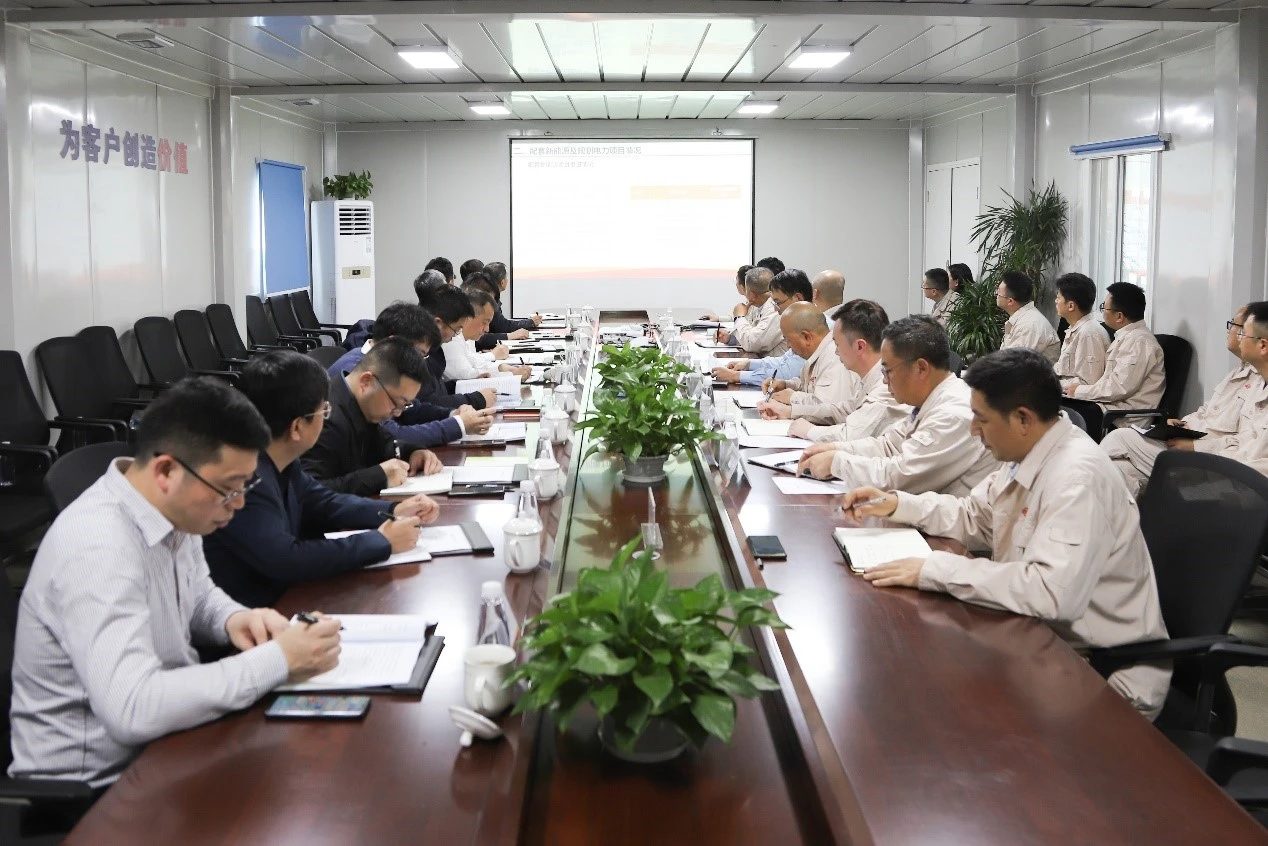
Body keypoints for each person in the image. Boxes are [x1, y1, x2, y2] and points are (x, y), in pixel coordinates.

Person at [8, 378, 342, 790]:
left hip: (168, 745)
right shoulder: (97, 546)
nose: (238, 504)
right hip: (93, 791)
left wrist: (236, 619)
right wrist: (278, 660)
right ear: (166, 470)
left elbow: (198, 594)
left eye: (245, 486)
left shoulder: (174, 509)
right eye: (228, 489)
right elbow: (133, 707)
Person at [842, 347, 1170, 720]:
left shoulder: (1077, 478)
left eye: (981, 419)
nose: (973, 430)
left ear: (1022, 419)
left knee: (943, 707)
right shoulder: (1028, 454)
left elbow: (1050, 592)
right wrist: (898, 504)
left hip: (1104, 672)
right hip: (1041, 639)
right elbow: (974, 516)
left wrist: (936, 570)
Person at [204, 351, 441, 607]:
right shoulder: (245, 478)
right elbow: (287, 559)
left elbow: (324, 501)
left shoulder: (280, 457)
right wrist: (381, 541)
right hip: (254, 612)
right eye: (323, 411)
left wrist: (394, 510)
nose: (327, 416)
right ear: (297, 427)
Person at [797, 315, 999, 495]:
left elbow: (901, 477)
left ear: (921, 368)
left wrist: (838, 463)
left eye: (888, 371)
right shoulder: (929, 401)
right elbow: (888, 445)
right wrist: (833, 448)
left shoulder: (952, 414)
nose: (884, 381)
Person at [1101, 303, 1267, 495]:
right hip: (1205, 453)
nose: (1238, 336)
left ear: (1262, 345)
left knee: (1120, 438)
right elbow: (1207, 412)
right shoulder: (1241, 374)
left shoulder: (1258, 383)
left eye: (1243, 332)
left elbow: (1242, 448)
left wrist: (1195, 448)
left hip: (1223, 470)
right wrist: (1183, 425)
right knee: (1120, 470)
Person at [326, 301, 494, 444]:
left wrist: (452, 414)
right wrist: (458, 425)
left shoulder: (380, 363)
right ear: (394, 343)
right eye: (419, 353)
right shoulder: (358, 371)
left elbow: (411, 409)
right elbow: (390, 435)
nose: (420, 361)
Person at [302, 338, 444, 497]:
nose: (397, 413)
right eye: (396, 403)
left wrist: (413, 452)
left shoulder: (360, 404)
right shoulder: (323, 417)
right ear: (366, 382)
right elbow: (310, 493)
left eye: (405, 405)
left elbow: (386, 443)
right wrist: (379, 477)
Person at [788, 300, 911, 442]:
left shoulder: (886, 385)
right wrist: (792, 411)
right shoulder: (872, 376)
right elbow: (845, 410)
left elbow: (851, 435)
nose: (836, 351)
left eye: (837, 344)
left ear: (860, 347)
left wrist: (810, 431)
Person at [1062, 282, 1165, 413]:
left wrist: (1079, 391)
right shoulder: (1127, 337)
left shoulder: (1139, 342)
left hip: (1121, 415)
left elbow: (1118, 388)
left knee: (1059, 411)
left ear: (1119, 316)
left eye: (1104, 308)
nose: (1102, 312)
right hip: (1108, 406)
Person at [756, 303, 860, 422]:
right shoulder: (819, 352)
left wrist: (792, 398)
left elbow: (828, 409)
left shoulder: (835, 357)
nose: (788, 346)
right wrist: (787, 385)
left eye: (788, 339)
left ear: (806, 337)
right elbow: (812, 384)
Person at [711, 269, 812, 385]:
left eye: (778, 303)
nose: (775, 309)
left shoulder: (811, 325)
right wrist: (749, 364)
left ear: (798, 298)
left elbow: (786, 373)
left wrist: (736, 376)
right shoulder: (800, 320)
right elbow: (784, 360)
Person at [414, 281, 501, 409]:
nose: (455, 336)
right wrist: (475, 399)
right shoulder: (416, 352)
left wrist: (460, 385)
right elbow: (426, 404)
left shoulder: (434, 350)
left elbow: (437, 391)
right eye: (456, 330)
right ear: (438, 323)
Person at [444, 285, 532, 381]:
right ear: (469, 317)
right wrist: (512, 375)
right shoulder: (451, 339)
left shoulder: (464, 338)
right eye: (485, 322)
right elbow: (468, 376)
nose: (487, 329)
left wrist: (501, 368)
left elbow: (475, 362)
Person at [1053, 272, 1110, 389]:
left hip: (1076, 398)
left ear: (1071, 306)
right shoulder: (1075, 329)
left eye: (1058, 298)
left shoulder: (1089, 333)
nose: (1056, 301)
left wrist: (1051, 384)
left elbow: (1088, 382)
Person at [715, 267, 786, 355]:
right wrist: (730, 339)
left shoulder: (775, 309)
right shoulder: (758, 305)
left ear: (751, 295)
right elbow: (749, 333)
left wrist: (739, 318)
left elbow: (753, 343)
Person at [997, 270, 1060, 363]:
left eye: (998, 293)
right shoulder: (1023, 318)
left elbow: (1015, 365)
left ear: (1010, 301)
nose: (996, 295)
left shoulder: (1028, 325)